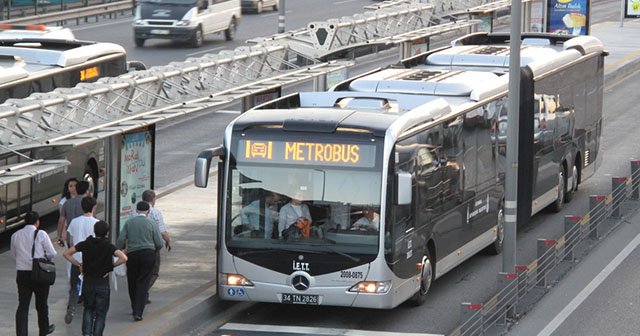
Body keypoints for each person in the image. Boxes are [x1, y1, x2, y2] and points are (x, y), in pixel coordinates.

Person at [63, 220, 127, 336]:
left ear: (94, 231)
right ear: (107, 233)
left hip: (88, 283)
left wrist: (78, 264)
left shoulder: (86, 243)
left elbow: (66, 253)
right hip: (102, 284)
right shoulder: (108, 246)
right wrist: (111, 266)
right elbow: (123, 258)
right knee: (101, 313)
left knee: (88, 309)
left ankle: (86, 334)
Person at [10, 211, 56, 336]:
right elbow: (52, 253)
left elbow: (14, 255)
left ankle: (21, 333)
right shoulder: (41, 234)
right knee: (42, 305)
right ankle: (44, 330)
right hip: (39, 273)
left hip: (22, 274)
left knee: (23, 306)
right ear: (37, 222)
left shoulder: (15, 235)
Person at [116, 201, 163, 321]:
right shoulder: (151, 223)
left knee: (132, 280)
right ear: (148, 212)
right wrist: (154, 250)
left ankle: (134, 307)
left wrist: (120, 249)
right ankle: (138, 311)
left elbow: (121, 239)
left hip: (132, 254)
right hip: (148, 254)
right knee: (143, 282)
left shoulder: (129, 223)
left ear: (136, 211)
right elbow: (159, 242)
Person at [64, 196, 99, 324]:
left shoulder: (74, 222)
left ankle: (71, 308)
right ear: (94, 207)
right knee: (90, 288)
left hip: (76, 261)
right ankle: (91, 312)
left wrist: (75, 259)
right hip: (90, 262)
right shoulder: (96, 223)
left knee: (74, 287)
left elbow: (72, 242)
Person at [142, 189, 171, 304]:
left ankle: (143, 293)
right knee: (153, 271)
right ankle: (142, 291)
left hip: (136, 247)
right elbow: (162, 232)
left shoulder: (134, 212)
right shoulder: (155, 213)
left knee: (140, 272)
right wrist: (168, 242)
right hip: (151, 247)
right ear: (153, 200)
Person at [57, 180, 91, 247]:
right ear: (86, 191)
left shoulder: (66, 203)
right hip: (85, 235)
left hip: (71, 235)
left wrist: (60, 236)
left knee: (72, 254)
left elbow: (61, 221)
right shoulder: (88, 202)